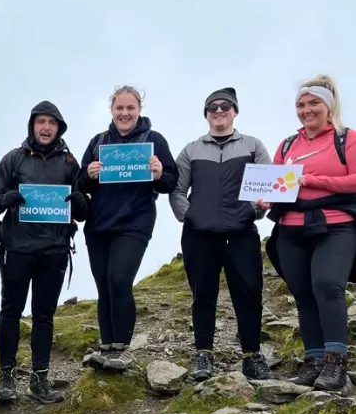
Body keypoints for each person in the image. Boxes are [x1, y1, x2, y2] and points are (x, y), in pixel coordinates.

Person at [169, 87, 273, 382]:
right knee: (203, 295)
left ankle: (252, 357)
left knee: (249, 294)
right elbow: (176, 189)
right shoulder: (191, 149)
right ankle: (203, 355)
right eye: (212, 107)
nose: (218, 111)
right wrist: (190, 216)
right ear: (206, 114)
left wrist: (255, 211)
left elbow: (267, 188)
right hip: (199, 236)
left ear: (234, 111)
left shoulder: (253, 145)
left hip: (241, 233)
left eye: (224, 106)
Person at [0, 101, 86, 404]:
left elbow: (82, 210)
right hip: (16, 249)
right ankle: (6, 379)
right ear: (32, 126)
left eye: (51, 123)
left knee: (44, 315)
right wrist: (7, 198)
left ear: (59, 128)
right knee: (10, 312)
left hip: (54, 251)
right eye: (41, 122)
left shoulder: (69, 162)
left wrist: (79, 200)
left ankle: (39, 381)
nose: (46, 128)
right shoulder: (13, 160)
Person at [262, 74, 356, 392]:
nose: (306, 109)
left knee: (328, 285)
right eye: (301, 104)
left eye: (314, 102)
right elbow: (276, 184)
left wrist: (314, 180)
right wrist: (265, 197)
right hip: (290, 229)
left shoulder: (347, 139)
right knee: (303, 295)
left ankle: (335, 363)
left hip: (335, 225)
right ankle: (313, 362)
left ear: (329, 107)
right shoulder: (288, 145)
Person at [77, 85, 178, 372]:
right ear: (112, 110)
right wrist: (89, 174)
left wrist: (159, 173)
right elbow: (79, 184)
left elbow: (171, 181)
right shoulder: (98, 142)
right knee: (104, 287)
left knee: (119, 279)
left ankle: (123, 349)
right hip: (98, 224)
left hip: (135, 222)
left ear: (139, 110)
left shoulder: (154, 140)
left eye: (130, 108)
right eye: (119, 108)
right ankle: (107, 347)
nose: (125, 113)